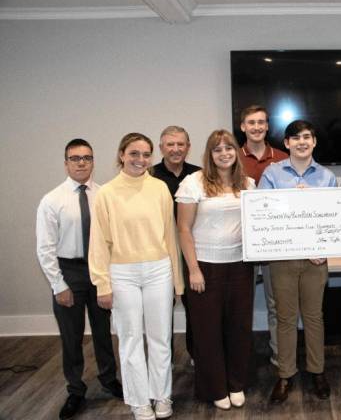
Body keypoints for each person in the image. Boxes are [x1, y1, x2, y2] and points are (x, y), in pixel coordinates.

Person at [89, 133, 183, 420]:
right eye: (134, 153)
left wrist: (177, 282)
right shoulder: (106, 193)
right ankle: (140, 401)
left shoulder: (159, 189)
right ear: (121, 154)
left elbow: (170, 236)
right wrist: (102, 284)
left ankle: (162, 396)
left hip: (159, 270)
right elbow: (99, 242)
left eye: (145, 154)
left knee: (160, 338)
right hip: (122, 273)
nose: (140, 160)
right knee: (130, 339)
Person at [36, 139, 122, 420]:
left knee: (103, 332)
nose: (82, 163)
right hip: (69, 272)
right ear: (66, 163)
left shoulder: (104, 194)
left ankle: (109, 380)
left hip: (99, 271)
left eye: (87, 157)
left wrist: (109, 276)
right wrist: (58, 284)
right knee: (71, 337)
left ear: (93, 161)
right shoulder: (52, 200)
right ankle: (75, 390)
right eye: (75, 158)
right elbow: (45, 248)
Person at [258, 120, 337, 404]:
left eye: (307, 137)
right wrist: (293, 200)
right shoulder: (272, 173)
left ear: (314, 142)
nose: (302, 142)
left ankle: (317, 371)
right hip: (283, 258)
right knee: (285, 318)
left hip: (316, 259)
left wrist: (323, 245)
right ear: (287, 143)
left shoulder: (327, 177)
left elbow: (333, 219)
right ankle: (285, 374)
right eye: (296, 138)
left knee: (315, 317)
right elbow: (262, 214)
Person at [176, 130, 255, 410]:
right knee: (207, 331)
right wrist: (193, 269)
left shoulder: (248, 183)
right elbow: (183, 229)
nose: (224, 153)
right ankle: (215, 387)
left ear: (237, 152)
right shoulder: (193, 183)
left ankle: (236, 383)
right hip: (205, 267)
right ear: (209, 154)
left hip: (240, 266)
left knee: (239, 328)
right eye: (217, 149)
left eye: (229, 148)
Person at [238, 105, 288, 366]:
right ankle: (240, 358)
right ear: (243, 126)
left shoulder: (282, 158)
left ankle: (279, 356)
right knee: (239, 305)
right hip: (239, 244)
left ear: (267, 126)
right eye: (251, 122)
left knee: (275, 303)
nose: (256, 127)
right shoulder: (231, 158)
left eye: (261, 122)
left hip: (274, 245)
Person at [152, 126, 201, 362]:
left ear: (188, 147)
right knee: (162, 308)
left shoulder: (199, 176)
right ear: (161, 147)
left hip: (192, 250)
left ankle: (196, 353)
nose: (176, 149)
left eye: (181, 144)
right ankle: (165, 359)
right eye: (170, 144)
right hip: (161, 252)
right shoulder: (149, 176)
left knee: (196, 306)